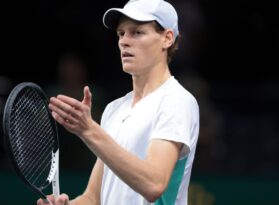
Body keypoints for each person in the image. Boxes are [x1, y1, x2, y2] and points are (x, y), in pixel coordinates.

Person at [38, 0, 200, 204]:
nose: (124, 41)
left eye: (137, 32)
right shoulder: (114, 109)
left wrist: (89, 131)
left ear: (167, 38)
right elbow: (93, 197)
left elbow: (153, 184)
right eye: (121, 33)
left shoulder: (176, 101)